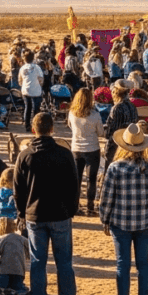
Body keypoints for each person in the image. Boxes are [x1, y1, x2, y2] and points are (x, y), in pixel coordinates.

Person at [14, 112, 84, 295]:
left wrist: (21, 213)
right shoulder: (64, 154)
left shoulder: (25, 155)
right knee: (64, 262)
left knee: (38, 262)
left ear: (34, 130)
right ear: (52, 129)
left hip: (36, 215)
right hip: (60, 213)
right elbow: (74, 185)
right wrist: (71, 209)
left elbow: (18, 189)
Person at [98, 123, 148, 295]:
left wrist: (105, 219)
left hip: (121, 222)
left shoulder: (115, 168)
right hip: (144, 222)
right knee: (143, 265)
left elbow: (106, 197)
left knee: (122, 265)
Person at [68, 87, 105, 215]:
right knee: (91, 179)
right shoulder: (95, 115)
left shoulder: (72, 113)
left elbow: (70, 126)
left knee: (76, 179)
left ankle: (75, 205)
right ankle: (90, 206)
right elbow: (101, 132)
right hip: (92, 148)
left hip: (76, 148)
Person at [0, 216, 30, 295]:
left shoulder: (2, 239)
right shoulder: (21, 238)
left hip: (4, 270)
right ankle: (22, 294)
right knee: (17, 286)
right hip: (19, 270)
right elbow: (30, 250)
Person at [18, 51, 45, 128]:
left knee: (27, 108)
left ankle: (27, 125)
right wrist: (40, 85)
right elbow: (41, 78)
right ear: (33, 58)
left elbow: (20, 80)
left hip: (26, 90)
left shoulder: (22, 68)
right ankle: (35, 125)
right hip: (36, 91)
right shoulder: (37, 67)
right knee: (36, 109)